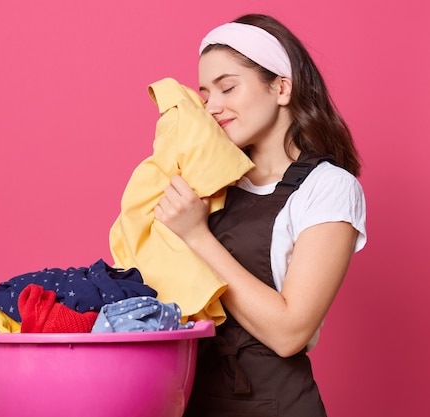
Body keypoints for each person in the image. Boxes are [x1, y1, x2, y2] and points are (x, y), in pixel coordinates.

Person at [152, 14, 367, 417]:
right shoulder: (207, 184)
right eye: (204, 95)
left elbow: (290, 332)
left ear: (282, 88)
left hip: (275, 406)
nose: (212, 107)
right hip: (191, 402)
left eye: (228, 87)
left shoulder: (328, 188)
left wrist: (197, 236)